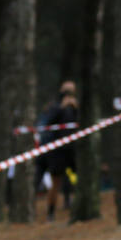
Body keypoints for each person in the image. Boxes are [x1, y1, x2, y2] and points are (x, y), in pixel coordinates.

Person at [39, 81, 79, 221]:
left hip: (73, 149)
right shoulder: (55, 106)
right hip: (57, 151)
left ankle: (74, 204)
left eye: (71, 90)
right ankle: (51, 212)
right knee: (56, 181)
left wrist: (75, 108)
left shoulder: (76, 106)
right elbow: (46, 123)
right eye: (66, 90)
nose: (69, 93)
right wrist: (61, 108)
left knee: (76, 178)